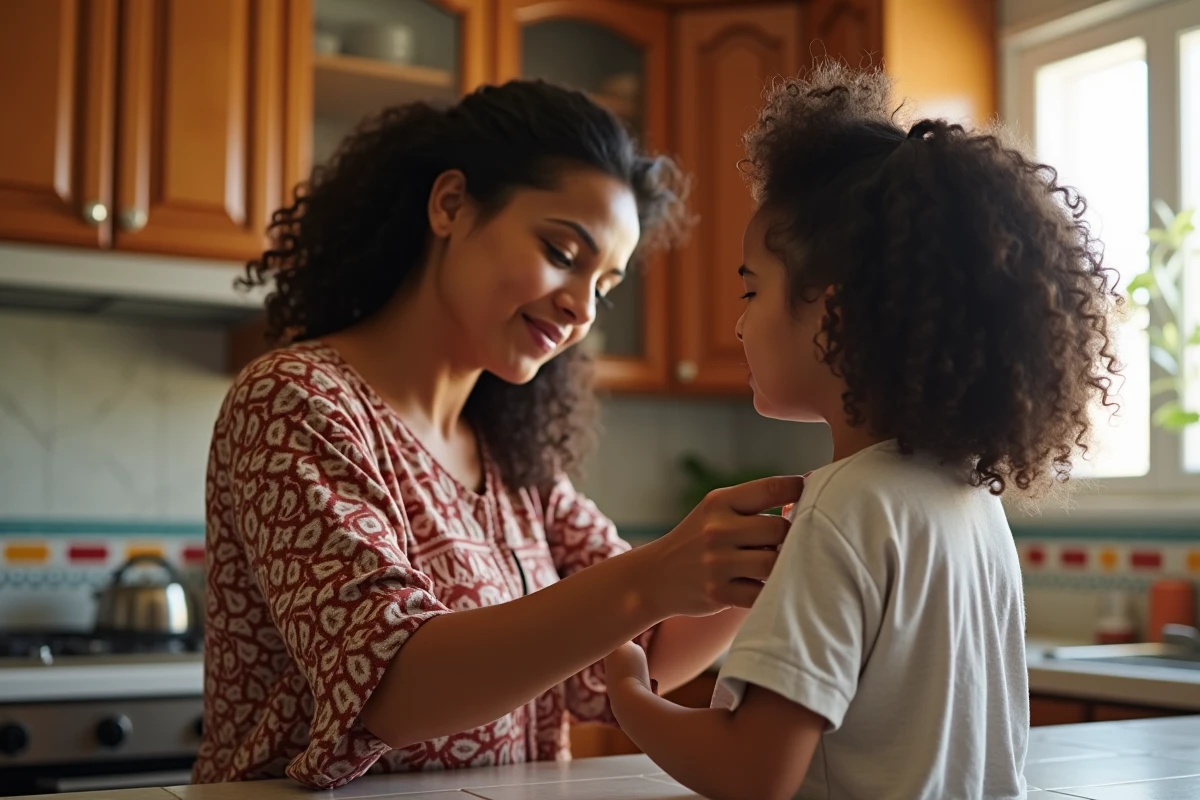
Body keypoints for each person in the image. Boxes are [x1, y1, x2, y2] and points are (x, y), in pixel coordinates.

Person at [193, 79, 802, 789]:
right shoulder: (295, 400)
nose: (581, 309)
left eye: (605, 287)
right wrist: (651, 578)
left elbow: (638, 655)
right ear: (450, 205)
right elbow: (391, 686)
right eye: (561, 252)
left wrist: (788, 541)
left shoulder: (516, 462)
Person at [604, 63, 1122, 800]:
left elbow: (751, 771)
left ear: (834, 315)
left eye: (753, 288)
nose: (738, 323)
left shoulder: (842, 506)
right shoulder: (968, 500)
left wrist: (631, 700)